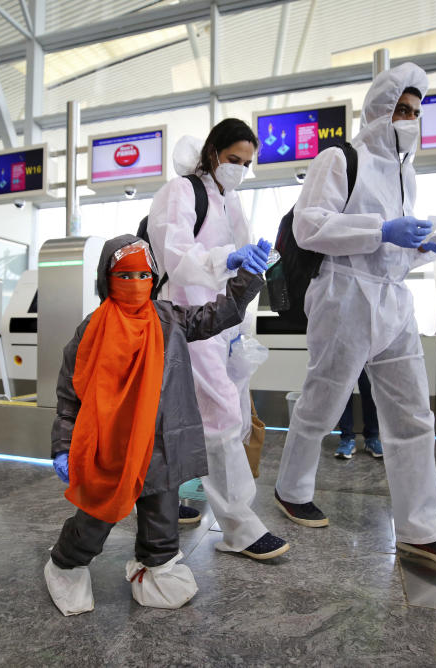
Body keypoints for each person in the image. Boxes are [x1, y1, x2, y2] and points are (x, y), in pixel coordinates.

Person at [272, 63, 436, 573]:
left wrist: (433, 246)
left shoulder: (407, 172)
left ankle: (421, 529)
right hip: (344, 295)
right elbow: (309, 226)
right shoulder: (340, 158)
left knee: (413, 414)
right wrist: (381, 228)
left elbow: (395, 251)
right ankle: (291, 488)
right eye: (401, 109)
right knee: (324, 400)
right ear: (379, 109)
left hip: (393, 298)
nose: (408, 119)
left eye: (415, 111)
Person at [44, 235, 270, 615]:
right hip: (110, 447)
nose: (136, 282)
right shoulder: (90, 332)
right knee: (98, 516)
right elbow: (70, 397)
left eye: (144, 274)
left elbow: (220, 313)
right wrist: (63, 446)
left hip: (162, 444)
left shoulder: (170, 319)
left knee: (162, 518)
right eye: (125, 274)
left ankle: (157, 568)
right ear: (106, 278)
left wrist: (247, 276)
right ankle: (65, 565)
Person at [146, 119, 290, 560]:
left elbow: (242, 262)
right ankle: (240, 527)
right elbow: (175, 252)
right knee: (222, 417)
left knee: (186, 417)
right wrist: (225, 257)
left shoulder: (232, 203)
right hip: (186, 318)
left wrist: (254, 262)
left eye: (247, 163)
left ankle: (166, 502)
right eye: (233, 160)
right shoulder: (181, 192)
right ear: (212, 152)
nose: (240, 170)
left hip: (223, 323)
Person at [334, 369, 381, 459]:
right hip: (343, 355)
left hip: (369, 355)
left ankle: (372, 438)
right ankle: (347, 439)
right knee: (344, 390)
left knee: (369, 388)